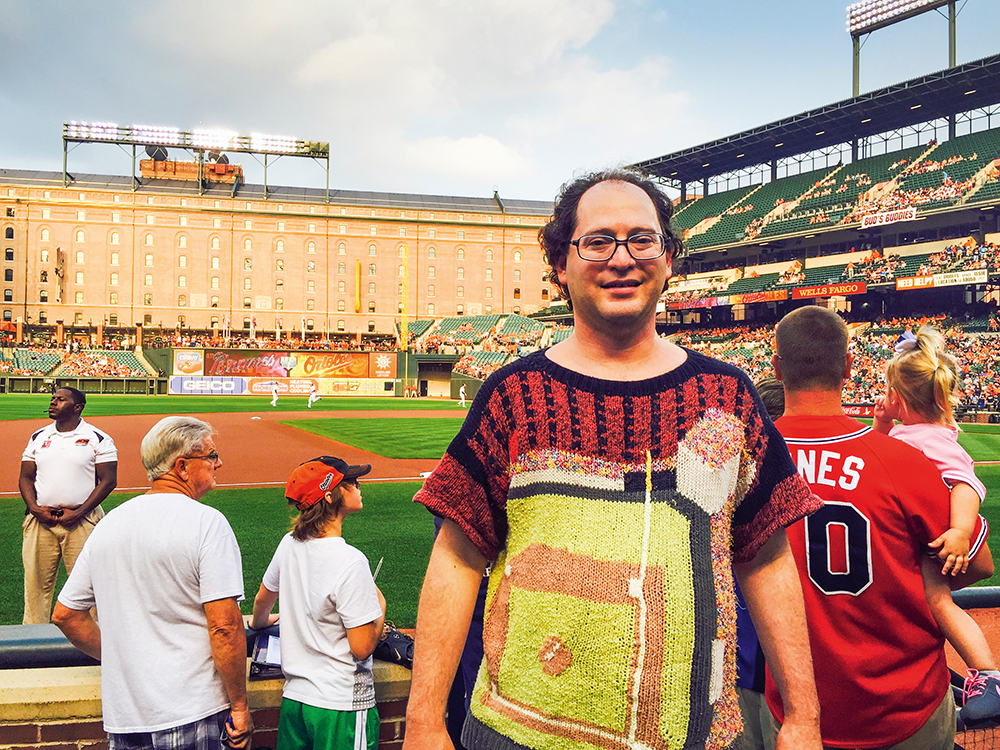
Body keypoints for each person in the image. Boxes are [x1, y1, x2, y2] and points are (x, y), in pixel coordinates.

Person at [404, 169, 823, 750]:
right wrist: (424, 722)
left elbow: (766, 557)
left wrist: (803, 715)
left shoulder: (728, 394)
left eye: (642, 239)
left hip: (695, 736)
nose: (621, 258)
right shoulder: (512, 395)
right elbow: (454, 557)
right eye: (597, 241)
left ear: (669, 259)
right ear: (561, 265)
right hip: (515, 732)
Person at [766, 306, 994, 749]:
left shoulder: (749, 461)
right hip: (905, 706)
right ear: (850, 367)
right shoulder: (905, 461)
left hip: (801, 711)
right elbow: (977, 564)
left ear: (777, 368)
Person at [52, 416, 252, 750]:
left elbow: (65, 615)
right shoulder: (207, 522)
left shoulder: (111, 523)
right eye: (212, 456)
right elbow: (224, 627)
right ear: (183, 466)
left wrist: (123, 657)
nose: (219, 463)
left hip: (125, 716)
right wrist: (241, 706)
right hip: (192, 709)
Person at [873, 325, 1000, 727]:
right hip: (930, 533)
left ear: (897, 396)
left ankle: (988, 676)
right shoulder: (915, 431)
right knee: (920, 605)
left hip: (944, 536)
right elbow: (880, 453)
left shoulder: (930, 440)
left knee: (938, 601)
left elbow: (967, 484)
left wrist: (961, 532)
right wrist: (880, 426)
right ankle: (951, 677)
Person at [251, 456, 386, 750]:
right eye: (351, 482)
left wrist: (267, 620)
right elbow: (362, 647)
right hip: (341, 707)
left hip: (296, 702)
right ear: (331, 495)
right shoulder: (351, 561)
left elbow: (261, 604)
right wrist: (380, 609)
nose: (359, 486)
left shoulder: (289, 543)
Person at [19, 387, 117, 624]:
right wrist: (34, 508)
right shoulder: (38, 436)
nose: (53, 402)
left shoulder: (98, 438)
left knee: (89, 586)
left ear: (77, 407)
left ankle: (93, 645)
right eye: (52, 399)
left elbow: (109, 480)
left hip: (82, 522)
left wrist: (79, 512)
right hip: (40, 522)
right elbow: (25, 477)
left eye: (60, 399)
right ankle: (33, 643)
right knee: (35, 587)